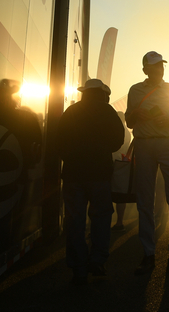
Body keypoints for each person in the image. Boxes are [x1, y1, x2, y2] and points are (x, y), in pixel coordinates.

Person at [125, 51, 169, 276]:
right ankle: (148, 255)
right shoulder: (135, 90)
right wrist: (136, 113)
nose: (159, 69)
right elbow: (128, 120)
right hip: (144, 144)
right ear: (145, 69)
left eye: (161, 66)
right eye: (154, 66)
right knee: (144, 200)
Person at [58, 79, 124, 285]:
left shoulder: (71, 112)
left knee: (75, 221)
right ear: (103, 93)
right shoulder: (108, 111)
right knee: (101, 217)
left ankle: (78, 269)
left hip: (73, 175)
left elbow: (57, 141)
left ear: (84, 93)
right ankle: (97, 260)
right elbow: (117, 142)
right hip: (99, 174)